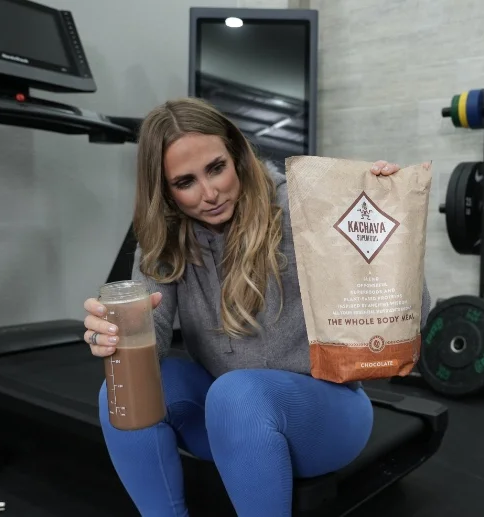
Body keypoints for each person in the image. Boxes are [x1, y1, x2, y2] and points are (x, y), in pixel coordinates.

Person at [81, 97, 432, 517]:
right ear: (165, 190)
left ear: (237, 155)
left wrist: (379, 217)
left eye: (216, 168)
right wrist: (117, 337)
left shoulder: (300, 206)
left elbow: (414, 314)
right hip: (224, 420)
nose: (209, 194)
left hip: (324, 417)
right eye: (185, 182)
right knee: (119, 390)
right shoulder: (166, 236)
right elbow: (151, 340)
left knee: (238, 393)